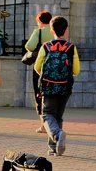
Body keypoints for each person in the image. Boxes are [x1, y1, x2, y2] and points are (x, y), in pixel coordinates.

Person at [34, 15, 81, 156]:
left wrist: (48, 75)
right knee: (58, 117)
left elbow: (37, 67)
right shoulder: (71, 47)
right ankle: (54, 148)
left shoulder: (46, 46)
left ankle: (57, 135)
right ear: (66, 30)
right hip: (65, 87)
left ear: (51, 30)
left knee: (47, 114)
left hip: (48, 86)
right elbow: (76, 71)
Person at [25, 10, 55, 133]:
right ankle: (54, 123)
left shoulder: (39, 32)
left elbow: (29, 46)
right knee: (52, 96)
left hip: (41, 68)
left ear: (39, 21)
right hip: (55, 68)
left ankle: (44, 125)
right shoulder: (54, 32)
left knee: (40, 95)